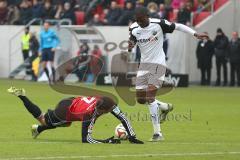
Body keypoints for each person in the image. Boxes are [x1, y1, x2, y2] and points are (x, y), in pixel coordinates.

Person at [128, 7, 208, 141]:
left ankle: (157, 133)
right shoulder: (134, 27)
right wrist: (130, 45)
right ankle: (164, 107)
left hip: (158, 64)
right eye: (137, 20)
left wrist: (195, 34)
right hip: (143, 65)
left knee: (150, 96)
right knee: (141, 99)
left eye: (141, 20)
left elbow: (179, 26)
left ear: (147, 16)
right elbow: (133, 38)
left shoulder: (159, 24)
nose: (140, 23)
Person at [7, 86, 144, 144]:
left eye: (101, 111)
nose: (99, 113)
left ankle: (37, 129)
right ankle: (22, 96)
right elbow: (86, 140)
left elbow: (123, 117)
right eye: (98, 111)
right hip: (65, 110)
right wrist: (107, 141)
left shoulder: (110, 104)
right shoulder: (90, 113)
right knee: (44, 119)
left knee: (67, 124)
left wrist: (132, 136)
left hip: (74, 101)